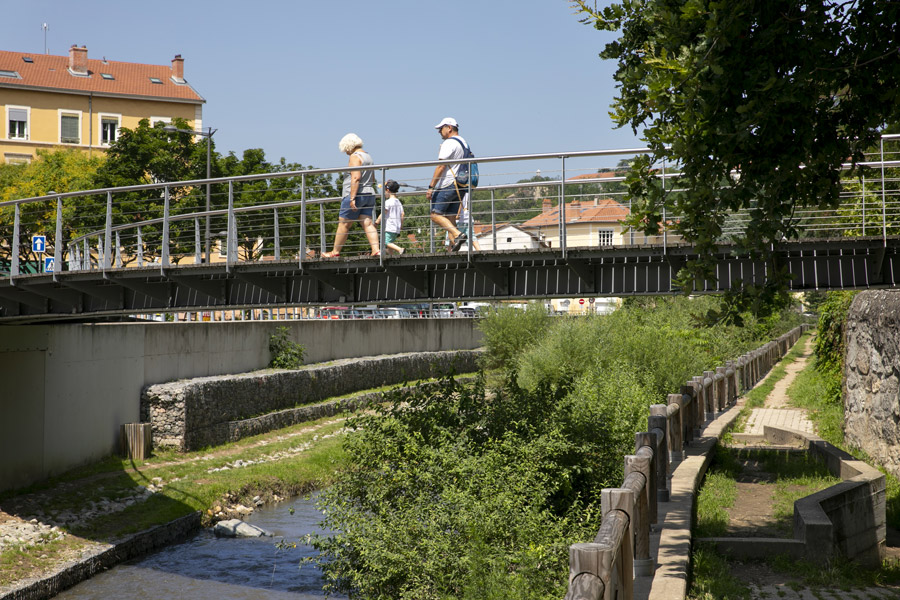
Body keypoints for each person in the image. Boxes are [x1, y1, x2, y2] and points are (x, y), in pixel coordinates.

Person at [322, 133, 380, 257]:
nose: (345, 152)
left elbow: (356, 177)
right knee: (367, 223)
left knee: (343, 224)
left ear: (348, 146)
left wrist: (352, 197)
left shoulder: (355, 156)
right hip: (369, 193)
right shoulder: (368, 157)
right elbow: (373, 178)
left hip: (356, 194)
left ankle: (335, 252)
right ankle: (376, 250)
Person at [424, 117, 471, 251]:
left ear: (449, 128)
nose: (439, 132)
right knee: (450, 219)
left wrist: (431, 187)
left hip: (449, 184)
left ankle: (458, 234)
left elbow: (440, 166)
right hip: (461, 184)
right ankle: (453, 247)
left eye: (441, 129)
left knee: (435, 215)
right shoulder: (464, 142)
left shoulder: (449, 143)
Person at [375, 179, 405, 255]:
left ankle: (400, 249)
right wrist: (401, 225)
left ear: (388, 190)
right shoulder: (398, 202)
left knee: (386, 242)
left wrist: (376, 222)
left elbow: (383, 213)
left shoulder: (388, 202)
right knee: (390, 243)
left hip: (390, 227)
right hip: (396, 228)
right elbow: (402, 214)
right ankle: (391, 256)